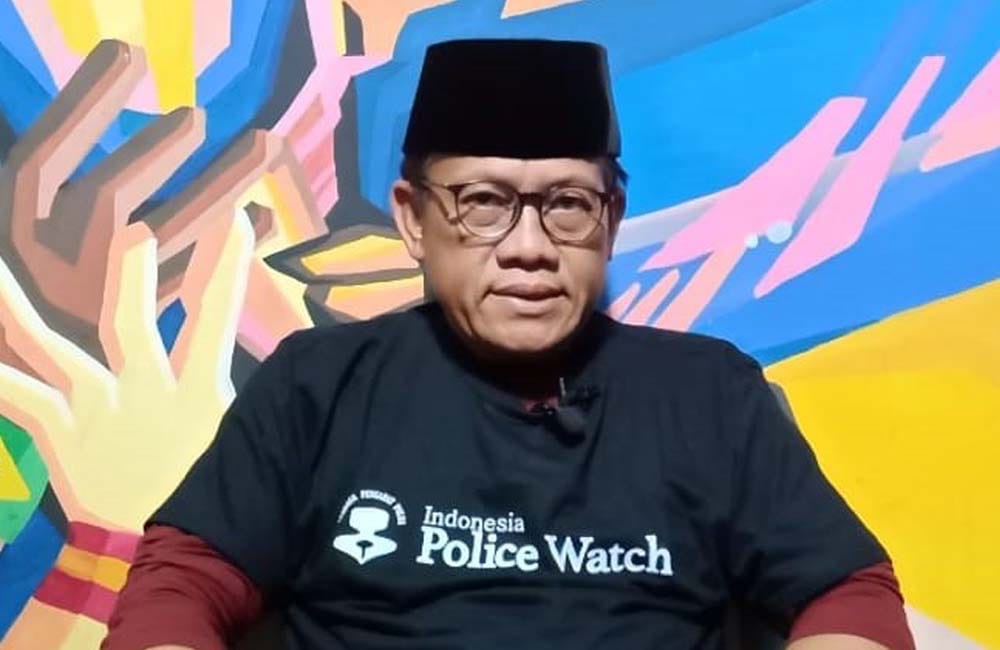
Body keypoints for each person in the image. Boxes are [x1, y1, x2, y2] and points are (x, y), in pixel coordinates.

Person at [103, 39, 913, 650]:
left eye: (567, 205)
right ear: (413, 219)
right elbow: (184, 578)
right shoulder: (318, 385)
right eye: (484, 203)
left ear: (612, 219)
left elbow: (849, 591)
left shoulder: (707, 392)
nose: (529, 248)